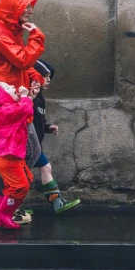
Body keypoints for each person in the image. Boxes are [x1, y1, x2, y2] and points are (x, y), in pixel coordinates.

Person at [0, 0, 45, 224]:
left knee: (24, 155)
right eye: (25, 6)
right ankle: (0, 209)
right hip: (6, 104)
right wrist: (38, 37)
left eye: (30, 5)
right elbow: (22, 58)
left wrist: (35, 78)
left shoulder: (12, 30)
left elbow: (19, 63)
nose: (30, 10)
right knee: (10, 159)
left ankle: (7, 204)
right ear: (13, 9)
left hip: (18, 101)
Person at [0, 82, 37, 229]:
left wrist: (29, 97)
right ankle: (3, 213)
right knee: (21, 186)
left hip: (12, 156)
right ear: (2, 98)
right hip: (7, 157)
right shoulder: (5, 110)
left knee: (17, 185)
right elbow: (25, 110)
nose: (13, 86)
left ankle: (2, 215)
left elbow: (28, 111)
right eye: (7, 88)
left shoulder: (11, 108)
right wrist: (25, 97)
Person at [30, 59, 81, 213]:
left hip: (35, 144)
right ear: (36, 77)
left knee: (45, 168)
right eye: (45, 76)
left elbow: (38, 121)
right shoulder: (29, 97)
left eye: (49, 76)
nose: (49, 80)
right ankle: (9, 208)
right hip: (26, 144)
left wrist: (47, 127)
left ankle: (57, 203)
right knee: (20, 177)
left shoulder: (40, 99)